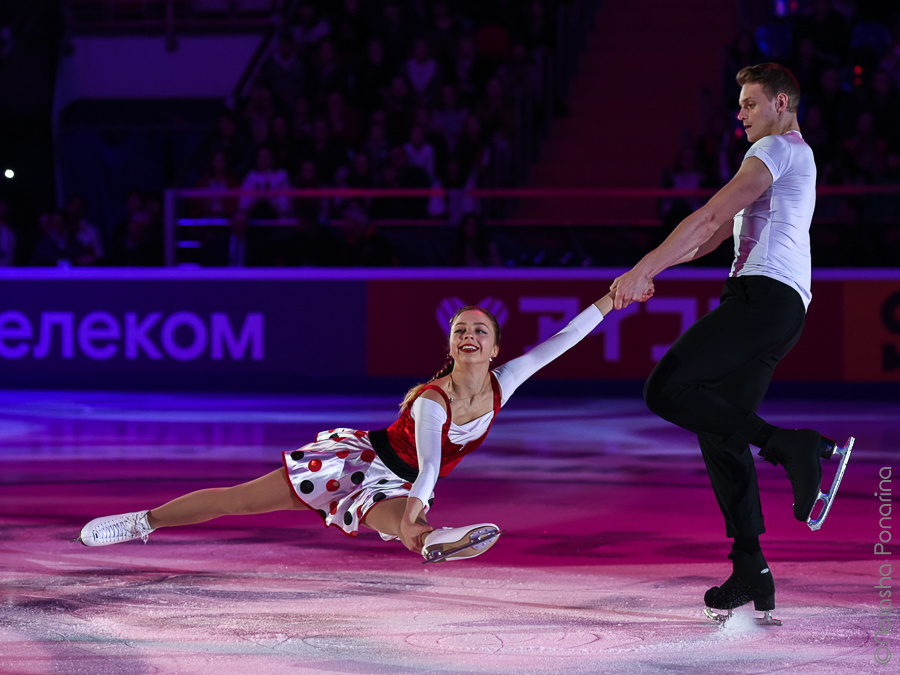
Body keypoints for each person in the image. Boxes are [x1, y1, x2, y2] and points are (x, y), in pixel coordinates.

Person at [76, 288, 651, 560]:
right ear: (452, 347)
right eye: (460, 331)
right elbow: (428, 466)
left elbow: (564, 339)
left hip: (396, 485)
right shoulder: (433, 399)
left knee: (403, 528)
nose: (469, 336)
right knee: (238, 501)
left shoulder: (507, 381)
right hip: (359, 462)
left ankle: (433, 542)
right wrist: (422, 501)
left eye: (479, 330)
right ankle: (142, 521)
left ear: (496, 348)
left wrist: (613, 298)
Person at [611, 63, 853, 622]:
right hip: (779, 307)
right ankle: (752, 569)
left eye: (749, 103)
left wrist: (643, 266)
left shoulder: (780, 150)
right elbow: (714, 235)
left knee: (667, 388)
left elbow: (712, 213)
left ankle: (794, 447)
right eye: (740, 103)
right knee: (720, 428)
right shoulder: (784, 160)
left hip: (762, 300)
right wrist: (658, 270)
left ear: (783, 103)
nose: (739, 113)